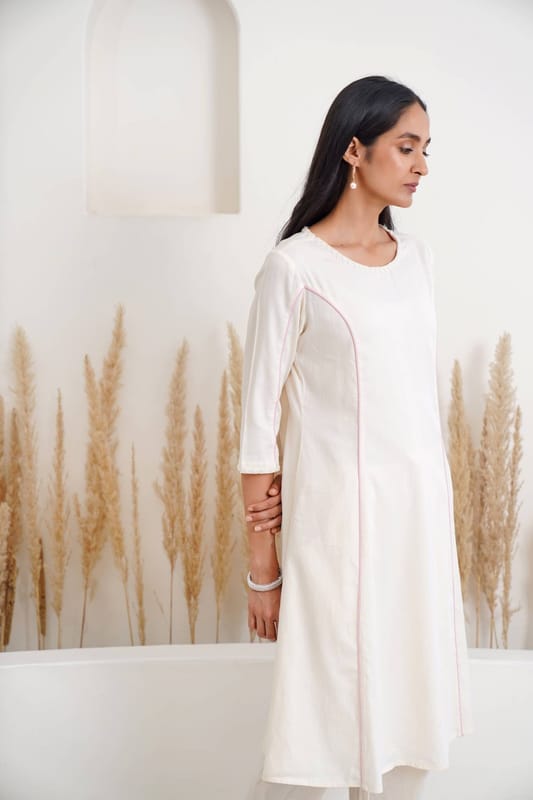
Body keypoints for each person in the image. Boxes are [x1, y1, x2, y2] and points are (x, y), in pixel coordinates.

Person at [238, 75, 474, 799]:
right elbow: (257, 428)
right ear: (353, 149)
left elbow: (415, 400)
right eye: (406, 147)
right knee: (326, 722)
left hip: (417, 523)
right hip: (338, 528)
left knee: (410, 717)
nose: (421, 166)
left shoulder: (419, 260)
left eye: (426, 150)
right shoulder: (292, 269)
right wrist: (263, 574)